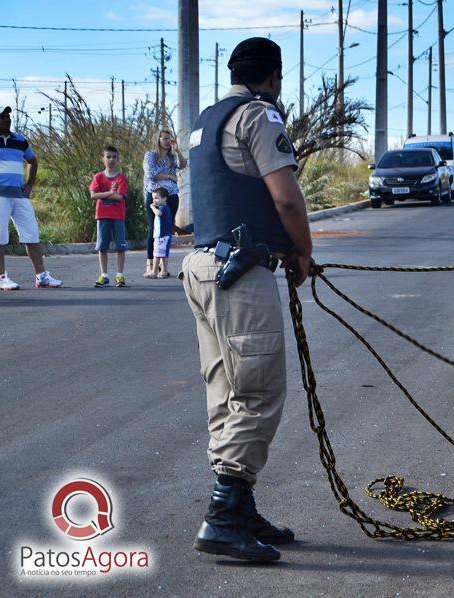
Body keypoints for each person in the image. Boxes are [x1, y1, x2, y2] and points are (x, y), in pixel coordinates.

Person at [181, 37, 313, 562]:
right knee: (257, 393)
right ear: (275, 76)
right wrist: (302, 252)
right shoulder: (259, 116)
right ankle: (224, 516)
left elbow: (185, 214)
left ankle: (242, 505)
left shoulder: (204, 123)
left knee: (226, 391)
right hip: (240, 269)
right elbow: (285, 195)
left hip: (200, 265)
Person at [0, 106, 63, 291]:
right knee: (0, 237)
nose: (7, 119)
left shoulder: (20, 139)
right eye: (2, 117)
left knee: (32, 234)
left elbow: (33, 161)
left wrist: (29, 185)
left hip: (20, 195)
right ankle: (2, 277)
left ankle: (41, 276)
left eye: (8, 116)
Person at [142, 130, 186, 278]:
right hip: (155, 195)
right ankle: (150, 264)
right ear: (159, 139)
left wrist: (178, 150)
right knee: (153, 228)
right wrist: (169, 176)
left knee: (166, 229)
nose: (168, 141)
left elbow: (183, 164)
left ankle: (162, 266)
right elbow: (152, 174)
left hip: (171, 196)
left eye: (170, 138)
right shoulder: (151, 155)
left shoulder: (172, 157)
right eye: (165, 138)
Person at [89, 145, 128, 288]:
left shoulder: (121, 178)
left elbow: (120, 196)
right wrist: (110, 193)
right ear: (103, 159)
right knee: (102, 246)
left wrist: (107, 194)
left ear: (118, 160)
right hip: (102, 215)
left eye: (114, 157)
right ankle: (104, 275)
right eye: (108, 157)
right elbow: (93, 195)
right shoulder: (98, 177)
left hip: (118, 216)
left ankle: (120, 275)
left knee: (121, 247)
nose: (111, 160)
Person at [148, 188, 173, 278]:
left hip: (163, 236)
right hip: (159, 235)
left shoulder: (163, 208)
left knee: (159, 254)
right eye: (153, 198)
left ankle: (156, 271)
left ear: (164, 198)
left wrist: (152, 207)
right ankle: (160, 270)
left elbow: (158, 213)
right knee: (159, 254)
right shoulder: (163, 208)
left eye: (156, 198)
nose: (154, 200)